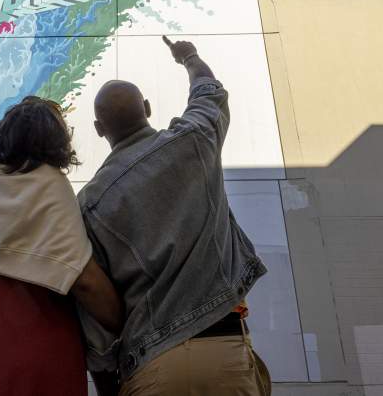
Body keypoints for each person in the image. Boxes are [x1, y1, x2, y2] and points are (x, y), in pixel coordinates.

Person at [77, 37, 272, 396]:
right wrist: (189, 57)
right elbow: (209, 92)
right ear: (148, 108)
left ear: (99, 129)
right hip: (224, 350)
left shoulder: (89, 204)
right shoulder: (195, 140)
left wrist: (107, 386)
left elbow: (95, 311)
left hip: (151, 364)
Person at [0, 96, 123, 396]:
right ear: (54, 139)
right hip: (33, 354)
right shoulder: (48, 184)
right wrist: (127, 322)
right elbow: (85, 281)